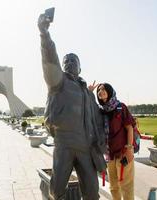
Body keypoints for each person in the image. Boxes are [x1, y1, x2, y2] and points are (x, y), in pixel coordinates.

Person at [38, 12, 106, 200]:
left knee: (92, 192)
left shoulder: (87, 93)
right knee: (57, 190)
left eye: (73, 60)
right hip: (64, 144)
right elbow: (50, 59)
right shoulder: (58, 83)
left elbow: (99, 118)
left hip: (86, 148)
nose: (69, 62)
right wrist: (44, 34)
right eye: (66, 61)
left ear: (80, 67)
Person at [96, 83, 135, 200]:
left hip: (123, 153)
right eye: (98, 90)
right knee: (113, 187)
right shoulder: (101, 111)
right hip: (110, 155)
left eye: (103, 89)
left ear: (109, 91)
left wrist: (129, 149)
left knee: (126, 186)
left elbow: (130, 128)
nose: (100, 92)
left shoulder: (120, 107)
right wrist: (88, 92)